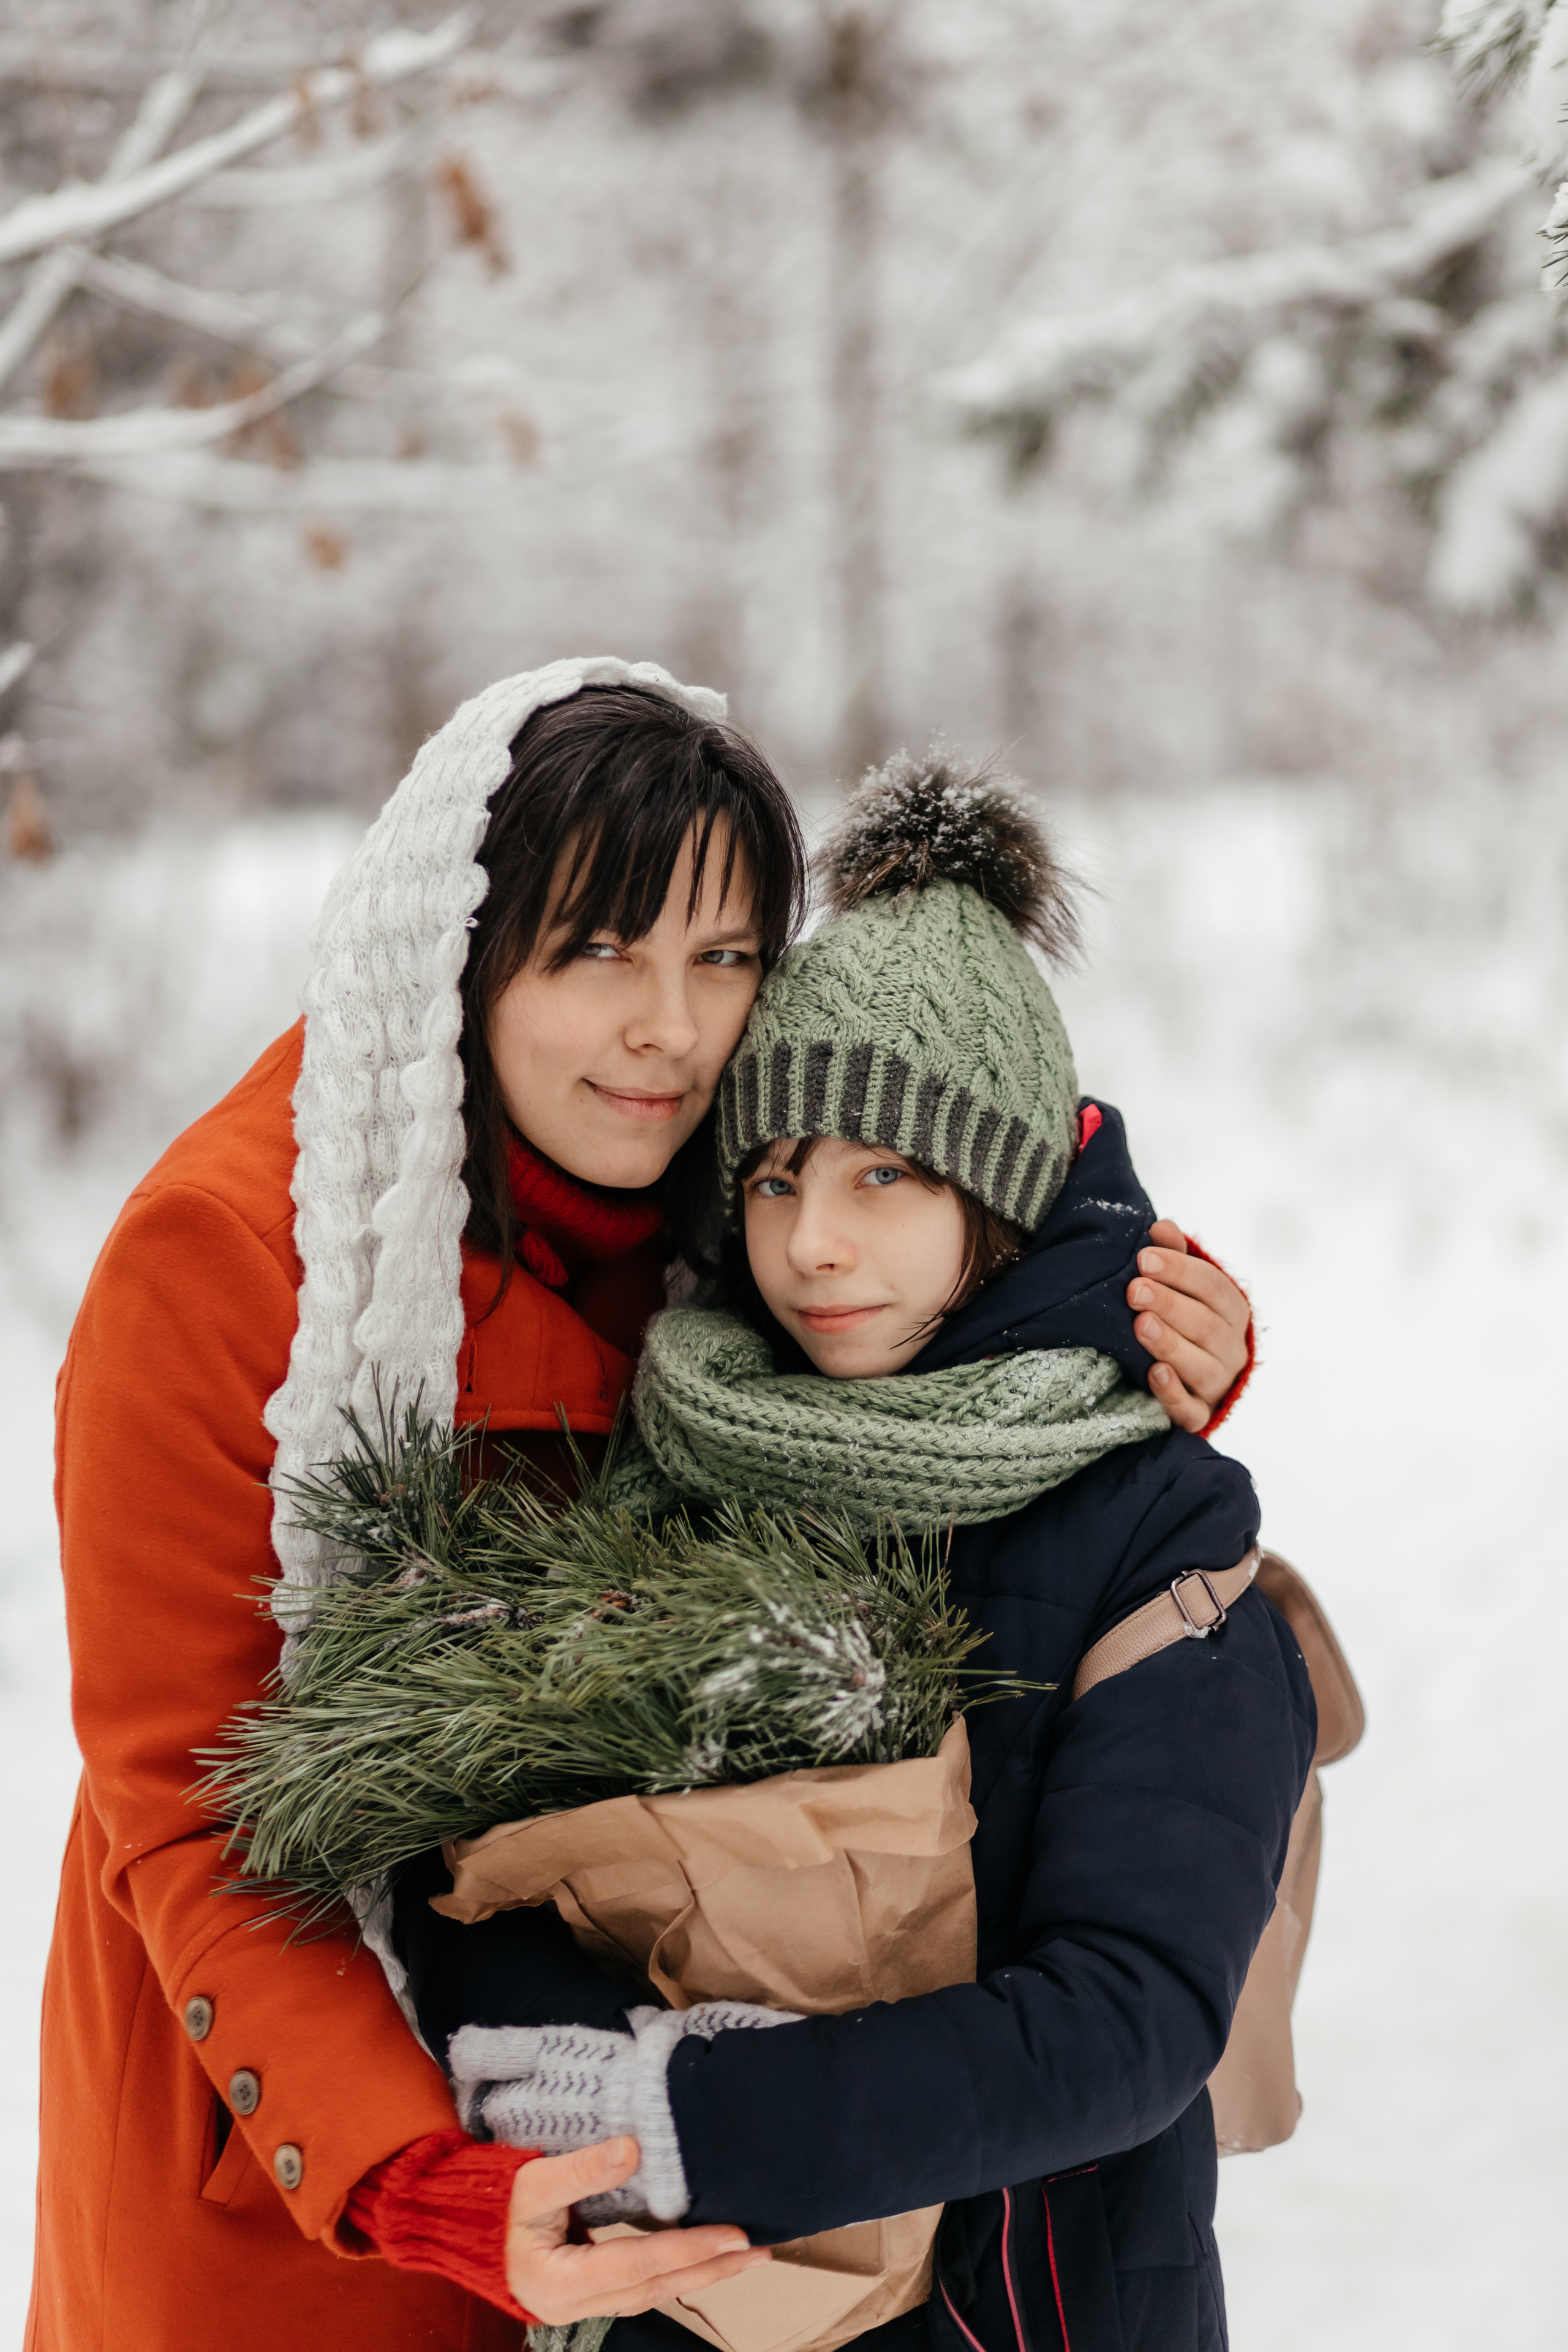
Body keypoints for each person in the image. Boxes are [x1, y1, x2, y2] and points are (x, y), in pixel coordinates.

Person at [27, 662, 1254, 2352]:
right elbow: (196, 1811)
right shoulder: (235, 1262)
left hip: (648, 2160)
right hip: (316, 2141)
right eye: (596, 947)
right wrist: (418, 2176)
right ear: (459, 950)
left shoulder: (721, 1173)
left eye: (723, 955)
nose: (666, 1027)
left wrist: (1140, 1325)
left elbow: (966, 1154)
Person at [398, 748, 1311, 2352]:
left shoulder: (1153, 1522)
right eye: (775, 1178)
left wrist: (710, 2116)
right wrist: (568, 2058)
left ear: (1007, 1198)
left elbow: (1134, 2017)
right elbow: (469, 1871)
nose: (815, 1242)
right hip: (685, 2313)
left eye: (888, 1174)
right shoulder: (679, 1469)